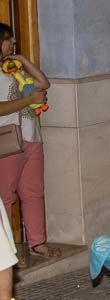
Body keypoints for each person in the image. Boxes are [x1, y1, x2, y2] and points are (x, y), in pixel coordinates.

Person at [0, 25, 53, 265]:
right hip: (8, 140)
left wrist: (21, 59)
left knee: (33, 193)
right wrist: (29, 100)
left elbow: (43, 83)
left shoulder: (15, 70)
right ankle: (7, 253)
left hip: (31, 137)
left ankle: (37, 243)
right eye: (8, 40)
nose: (12, 43)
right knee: (4, 198)